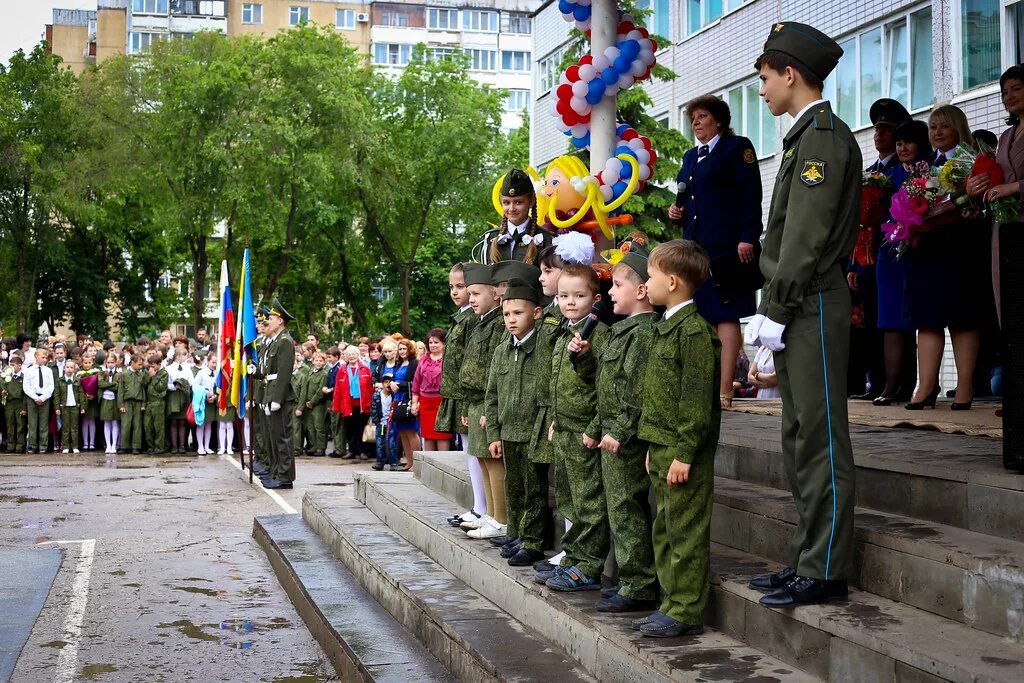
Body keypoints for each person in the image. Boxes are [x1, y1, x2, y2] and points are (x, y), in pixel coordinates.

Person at [744, 22, 860, 607]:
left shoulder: (822, 138)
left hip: (811, 298)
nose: (761, 89)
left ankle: (827, 567)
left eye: (764, 78)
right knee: (797, 434)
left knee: (819, 435)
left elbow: (806, 238)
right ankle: (806, 557)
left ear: (790, 74)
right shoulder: (805, 137)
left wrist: (779, 305)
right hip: (798, 299)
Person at [634, 239, 720, 637]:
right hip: (663, 447)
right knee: (665, 527)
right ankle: (670, 602)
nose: (645, 286)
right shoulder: (666, 328)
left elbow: (696, 402)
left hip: (685, 452)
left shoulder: (695, 334)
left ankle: (686, 609)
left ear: (671, 282)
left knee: (685, 531)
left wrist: (684, 453)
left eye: (649, 277)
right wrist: (655, 446)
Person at [577, 242, 659, 612]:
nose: (609, 293)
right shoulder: (623, 331)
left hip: (625, 441)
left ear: (641, 291)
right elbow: (605, 387)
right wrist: (596, 425)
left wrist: (619, 431)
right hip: (610, 435)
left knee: (628, 510)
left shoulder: (643, 334)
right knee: (619, 510)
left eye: (617, 287)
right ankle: (630, 579)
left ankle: (639, 585)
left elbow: (636, 392)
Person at [668, 94, 762, 408]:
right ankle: (705, 390)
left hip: (728, 246)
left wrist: (748, 236)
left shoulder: (737, 149)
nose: (696, 123)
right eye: (693, 118)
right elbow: (687, 197)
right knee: (703, 317)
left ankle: (724, 391)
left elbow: (751, 194)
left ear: (719, 120)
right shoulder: (690, 156)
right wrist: (676, 212)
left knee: (726, 315)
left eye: (702, 117)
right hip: (697, 248)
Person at [904, 105, 988, 411]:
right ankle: (925, 387)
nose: (937, 132)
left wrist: (954, 199)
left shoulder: (972, 161)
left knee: (961, 318)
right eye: (933, 127)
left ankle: (965, 387)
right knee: (926, 320)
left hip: (959, 248)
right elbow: (908, 203)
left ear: (958, 129)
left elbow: (978, 207)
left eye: (944, 127)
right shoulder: (922, 165)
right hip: (925, 249)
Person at [538, 264, 609, 591]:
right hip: (565, 427)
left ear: (595, 298)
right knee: (568, 499)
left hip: (585, 431)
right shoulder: (563, 333)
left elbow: (602, 387)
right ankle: (573, 556)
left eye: (578, 296)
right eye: (564, 295)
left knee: (588, 502)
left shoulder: (600, 334)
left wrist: (594, 427)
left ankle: (590, 565)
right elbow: (557, 382)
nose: (569, 302)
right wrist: (554, 418)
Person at [848, 99, 913, 400]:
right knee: (871, 322)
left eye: (887, 130)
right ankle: (876, 381)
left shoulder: (905, 171)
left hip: (895, 253)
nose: (879, 135)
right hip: (867, 256)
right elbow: (857, 223)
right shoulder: (869, 172)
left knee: (898, 319)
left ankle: (901, 383)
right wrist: (852, 265)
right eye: (876, 130)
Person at [484, 277, 549, 567]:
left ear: (536, 313)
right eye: (507, 314)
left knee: (533, 487)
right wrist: (494, 433)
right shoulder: (502, 351)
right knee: (514, 486)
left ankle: (533, 541)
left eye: (518, 313)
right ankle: (518, 532)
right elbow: (492, 395)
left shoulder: (543, 348)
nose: (511, 320)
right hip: (509, 430)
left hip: (533, 431)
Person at [872, 120, 930, 405]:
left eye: (908, 142)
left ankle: (918, 385)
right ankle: (891, 384)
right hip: (889, 252)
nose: (902, 148)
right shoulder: (886, 175)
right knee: (891, 319)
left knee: (920, 320)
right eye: (898, 143)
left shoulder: (930, 171)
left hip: (920, 251)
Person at [458, 262, 508, 538]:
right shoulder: (481, 324)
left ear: (495, 294)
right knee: (482, 457)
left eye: (477, 293)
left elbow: (492, 369)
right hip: (476, 400)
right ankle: (490, 513)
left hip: (487, 400)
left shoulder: (498, 323)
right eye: (470, 293)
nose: (471, 298)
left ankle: (500, 517)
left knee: (492, 459)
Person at [987, 65, 1024, 328]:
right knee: (1011, 306)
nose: (1008, 95)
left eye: (1017, 88)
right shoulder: (1005, 136)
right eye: (1004, 91)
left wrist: (1016, 187)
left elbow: (1010, 184)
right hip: (1006, 226)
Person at [259, 298, 298, 489]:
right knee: (275, 437)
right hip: (272, 393)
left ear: (280, 320)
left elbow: (283, 374)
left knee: (283, 438)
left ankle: (285, 477)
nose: (268, 321)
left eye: (272, 318)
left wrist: (276, 399)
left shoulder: (285, 341)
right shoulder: (277, 341)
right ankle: (277, 472)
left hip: (280, 396)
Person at [482, 168, 553, 265]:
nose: (511, 208)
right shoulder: (489, 240)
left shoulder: (547, 240)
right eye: (506, 202)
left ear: (531, 201)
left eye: (518, 202)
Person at [411, 328, 451, 452]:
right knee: (428, 437)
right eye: (430, 342)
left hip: (442, 402)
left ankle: (443, 467)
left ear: (444, 343)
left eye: (436, 342)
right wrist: (414, 403)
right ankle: (429, 468)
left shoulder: (448, 359)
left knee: (442, 436)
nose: (433, 345)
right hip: (425, 402)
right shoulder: (423, 359)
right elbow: (416, 382)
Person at [335, 347, 373, 460]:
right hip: (347, 404)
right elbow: (337, 389)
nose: (351, 356)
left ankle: (362, 451)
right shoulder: (342, 370)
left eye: (353, 354)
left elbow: (370, 388)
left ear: (358, 355)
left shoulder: (365, 369)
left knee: (361, 428)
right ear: (345, 356)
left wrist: (370, 403)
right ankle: (352, 450)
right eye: (349, 354)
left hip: (362, 404)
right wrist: (336, 406)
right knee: (349, 428)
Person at [390, 338, 420, 470]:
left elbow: (416, 382)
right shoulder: (398, 364)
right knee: (402, 432)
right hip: (397, 399)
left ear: (410, 349)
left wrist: (400, 385)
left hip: (409, 399)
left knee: (411, 431)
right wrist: (390, 383)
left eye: (404, 349)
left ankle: (416, 463)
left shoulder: (414, 363)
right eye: (400, 349)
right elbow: (394, 379)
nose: (402, 351)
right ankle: (409, 462)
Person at [24, 348, 55, 453]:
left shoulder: (48, 370)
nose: (44, 359)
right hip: (32, 398)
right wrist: (35, 397)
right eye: (42, 357)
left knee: (43, 424)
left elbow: (51, 386)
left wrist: (42, 398)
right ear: (36, 357)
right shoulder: (29, 370)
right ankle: (32, 445)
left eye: (46, 358)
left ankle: (43, 445)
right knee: (32, 424)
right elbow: (26, 387)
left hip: (45, 399)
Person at [299, 351, 329, 457]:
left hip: (318, 405)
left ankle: (321, 448)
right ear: (313, 361)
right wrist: (306, 402)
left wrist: (312, 402)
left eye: (321, 361)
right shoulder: (310, 372)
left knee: (319, 427)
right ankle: (313, 446)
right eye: (316, 360)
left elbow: (321, 391)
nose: (318, 363)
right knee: (310, 427)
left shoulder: (324, 374)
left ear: (324, 362)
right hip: (307, 404)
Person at [165, 349, 192, 453]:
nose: (185, 357)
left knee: (182, 421)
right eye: (183, 355)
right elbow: (166, 384)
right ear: (177, 356)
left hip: (184, 396)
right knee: (174, 421)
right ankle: (174, 446)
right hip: (173, 396)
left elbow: (191, 381)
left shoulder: (187, 368)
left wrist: (185, 385)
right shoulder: (168, 368)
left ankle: (182, 446)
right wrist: (175, 387)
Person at [119, 354, 147, 455]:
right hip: (127, 402)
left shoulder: (141, 375)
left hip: (138, 402)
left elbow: (143, 390)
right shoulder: (124, 374)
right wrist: (121, 405)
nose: (141, 366)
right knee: (126, 424)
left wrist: (143, 403)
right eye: (139, 364)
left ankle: (136, 446)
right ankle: (124, 446)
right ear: (133, 363)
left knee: (137, 425)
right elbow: (121, 390)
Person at [98, 350, 122, 454]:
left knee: (115, 422)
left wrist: (108, 385)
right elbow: (101, 384)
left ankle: (114, 445)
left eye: (112, 362)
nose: (110, 364)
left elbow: (118, 386)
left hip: (115, 400)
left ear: (116, 362)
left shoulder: (119, 373)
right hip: (105, 400)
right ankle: (108, 445)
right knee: (106, 423)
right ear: (106, 363)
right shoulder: (102, 372)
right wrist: (111, 385)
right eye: (108, 362)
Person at [144, 353, 169, 454]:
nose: (151, 368)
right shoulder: (148, 372)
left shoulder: (164, 373)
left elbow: (160, 388)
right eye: (150, 366)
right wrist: (149, 376)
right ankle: (150, 446)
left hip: (158, 402)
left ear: (159, 364)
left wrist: (154, 377)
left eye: (153, 366)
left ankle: (159, 447)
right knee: (148, 426)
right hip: (149, 402)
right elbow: (144, 384)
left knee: (158, 427)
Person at [3, 354, 27, 452]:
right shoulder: (6, 377)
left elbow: (26, 393)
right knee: (10, 425)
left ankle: (20, 446)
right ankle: (10, 446)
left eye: (13, 365)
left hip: (20, 403)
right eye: (10, 365)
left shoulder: (24, 377)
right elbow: (3, 388)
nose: (11, 367)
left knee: (20, 425)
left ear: (19, 365)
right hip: (9, 403)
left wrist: (24, 407)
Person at [323, 346, 343, 456]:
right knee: (334, 424)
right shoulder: (332, 368)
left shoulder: (339, 368)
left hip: (337, 399)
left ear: (336, 357)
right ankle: (337, 448)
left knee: (337, 424)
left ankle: (340, 449)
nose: (328, 359)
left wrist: (330, 389)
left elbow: (339, 385)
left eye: (330, 357)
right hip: (332, 399)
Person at [78, 354, 100, 451]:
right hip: (83, 400)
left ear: (93, 363)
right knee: (84, 421)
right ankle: (85, 443)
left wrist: (93, 395)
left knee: (92, 421)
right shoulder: (79, 374)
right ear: (82, 363)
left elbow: (98, 386)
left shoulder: (96, 373)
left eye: (89, 363)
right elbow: (78, 388)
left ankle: (92, 443)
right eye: (85, 363)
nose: (87, 365)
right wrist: (84, 395)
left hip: (93, 401)